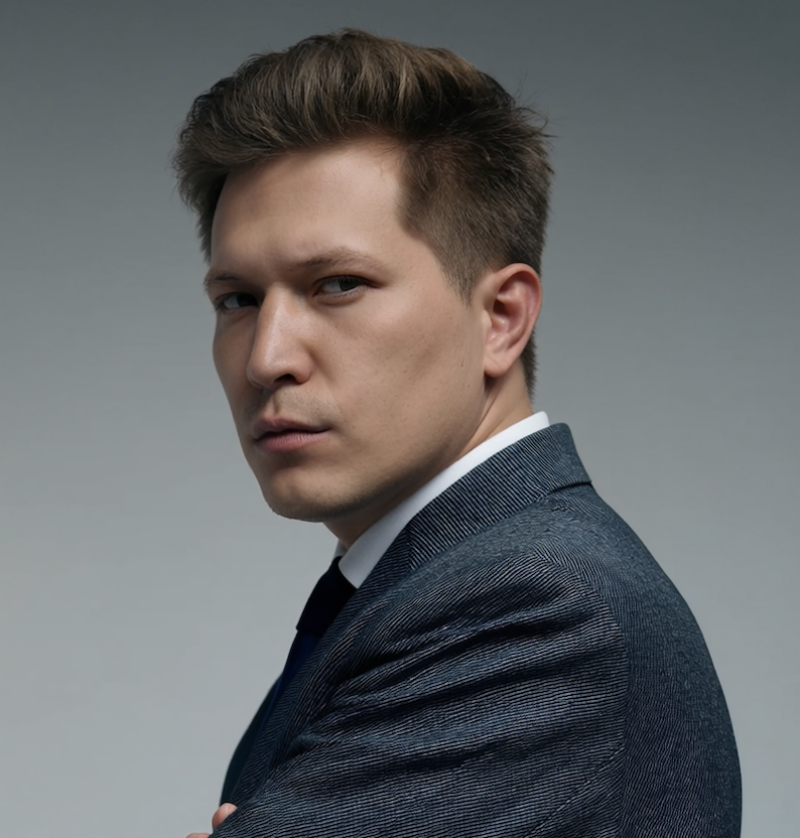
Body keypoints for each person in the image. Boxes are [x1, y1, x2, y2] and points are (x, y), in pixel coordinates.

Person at [174, 29, 741, 838]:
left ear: (501, 318)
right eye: (237, 299)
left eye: (337, 285)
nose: (267, 357)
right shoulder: (428, 584)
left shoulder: (538, 606)